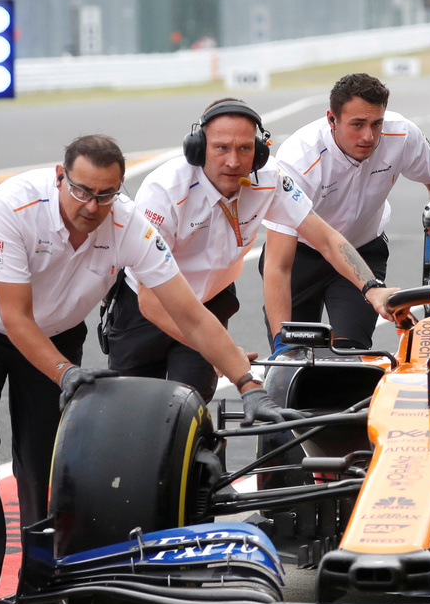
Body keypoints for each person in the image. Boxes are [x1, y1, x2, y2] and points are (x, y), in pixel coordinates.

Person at [0, 135, 298, 604]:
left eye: (106, 194)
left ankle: (44, 582)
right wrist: (65, 372)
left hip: (56, 329)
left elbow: (190, 314)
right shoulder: (15, 204)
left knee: (43, 455)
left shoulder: (129, 224)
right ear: (60, 177)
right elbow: (15, 317)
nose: (92, 206)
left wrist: (248, 383)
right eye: (82, 191)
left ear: (120, 189)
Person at [107, 98, 397, 401]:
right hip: (147, 309)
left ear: (258, 152)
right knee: (132, 403)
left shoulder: (269, 178)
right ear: (199, 148)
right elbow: (151, 302)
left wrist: (372, 288)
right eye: (221, 148)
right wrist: (223, 351)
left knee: (190, 402)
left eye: (244, 149)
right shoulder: (164, 190)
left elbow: (325, 237)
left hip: (207, 306)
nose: (233, 162)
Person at [262, 73, 430, 352]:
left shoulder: (402, 134)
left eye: (377, 124)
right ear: (332, 119)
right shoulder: (298, 159)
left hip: (362, 251)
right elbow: (277, 265)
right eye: (357, 124)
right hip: (301, 255)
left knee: (350, 357)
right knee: (296, 358)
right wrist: (282, 345)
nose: (369, 136)